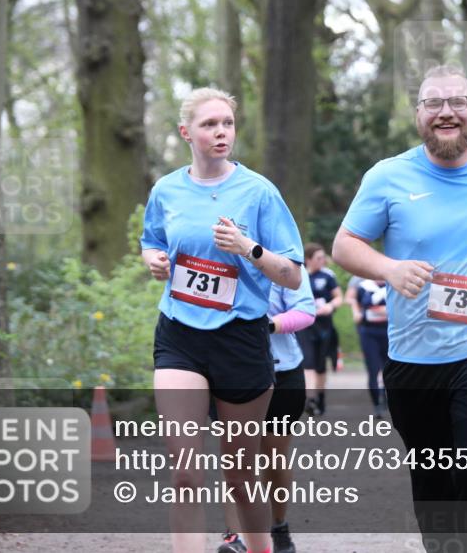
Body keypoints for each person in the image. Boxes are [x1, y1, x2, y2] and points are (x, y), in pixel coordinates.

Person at [332, 65, 467, 553]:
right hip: (414, 359)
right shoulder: (387, 176)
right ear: (419, 115)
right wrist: (388, 268)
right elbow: (345, 245)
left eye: (457, 102)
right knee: (434, 479)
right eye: (433, 103)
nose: (446, 112)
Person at [141, 87, 303, 553]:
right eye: (209, 124)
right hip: (180, 337)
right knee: (185, 472)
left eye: (227, 123)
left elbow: (292, 276)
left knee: (240, 475)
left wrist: (249, 249)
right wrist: (153, 259)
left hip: (240, 340)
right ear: (185, 132)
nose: (221, 132)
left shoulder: (259, 192)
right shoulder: (166, 190)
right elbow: (152, 240)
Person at [218, 268, 316, 553]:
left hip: (281, 370)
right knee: (237, 458)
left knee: (274, 458)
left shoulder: (284, 260)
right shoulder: (217, 258)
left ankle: (278, 526)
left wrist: (266, 325)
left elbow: (305, 312)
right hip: (232, 368)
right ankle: (235, 537)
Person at [298, 243, 342, 416]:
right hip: (305, 324)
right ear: (308, 259)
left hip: (324, 325)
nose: (322, 260)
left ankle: (320, 396)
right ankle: (310, 399)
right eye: (318, 258)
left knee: (320, 365)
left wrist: (330, 306)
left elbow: (339, 297)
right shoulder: (299, 274)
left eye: (323, 257)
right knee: (307, 361)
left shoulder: (327, 275)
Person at [347, 276, 390, 417]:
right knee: (373, 369)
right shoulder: (364, 287)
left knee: (388, 369)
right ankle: (376, 404)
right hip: (369, 333)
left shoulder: (392, 285)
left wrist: (385, 311)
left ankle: (385, 397)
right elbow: (353, 301)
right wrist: (356, 312)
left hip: (388, 333)